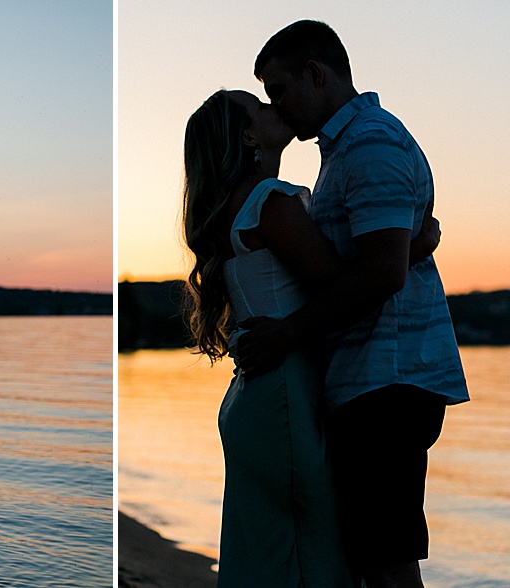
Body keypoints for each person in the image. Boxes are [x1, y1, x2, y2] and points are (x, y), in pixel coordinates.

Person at [234, 20, 469, 588]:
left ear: (316, 74)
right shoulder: (344, 149)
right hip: (367, 379)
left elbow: (381, 273)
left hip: (389, 378)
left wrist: (287, 335)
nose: (279, 107)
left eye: (280, 90)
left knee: (385, 561)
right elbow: (375, 264)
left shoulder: (370, 143)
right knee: (370, 557)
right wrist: (416, 247)